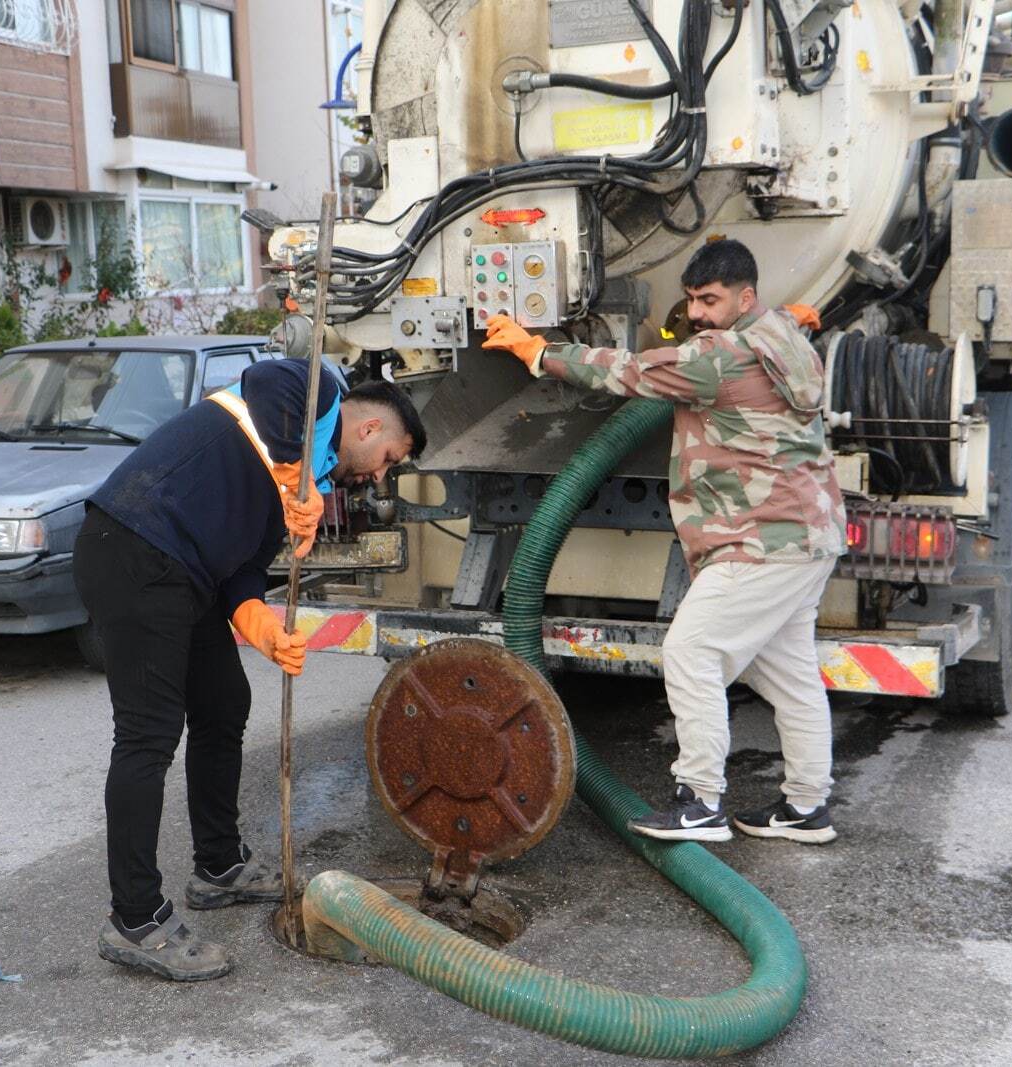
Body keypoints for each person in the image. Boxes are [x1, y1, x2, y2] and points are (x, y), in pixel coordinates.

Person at [482, 239, 845, 845]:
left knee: (690, 653)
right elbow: (779, 323)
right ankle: (807, 808)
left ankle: (700, 801)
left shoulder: (718, 357)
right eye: (692, 300)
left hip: (760, 541)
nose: (697, 313)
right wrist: (789, 315)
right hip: (808, 536)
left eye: (711, 300)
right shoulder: (781, 336)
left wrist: (538, 350)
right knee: (790, 676)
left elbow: (625, 370)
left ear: (745, 297)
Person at [75, 357, 426, 981]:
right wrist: (298, 477)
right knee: (147, 736)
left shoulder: (305, 470)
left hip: (186, 574)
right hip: (134, 545)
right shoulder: (318, 393)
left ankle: (218, 865)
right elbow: (268, 382)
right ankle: (135, 920)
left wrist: (257, 622)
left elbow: (244, 566)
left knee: (224, 705)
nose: (380, 477)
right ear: (369, 431)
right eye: (390, 459)